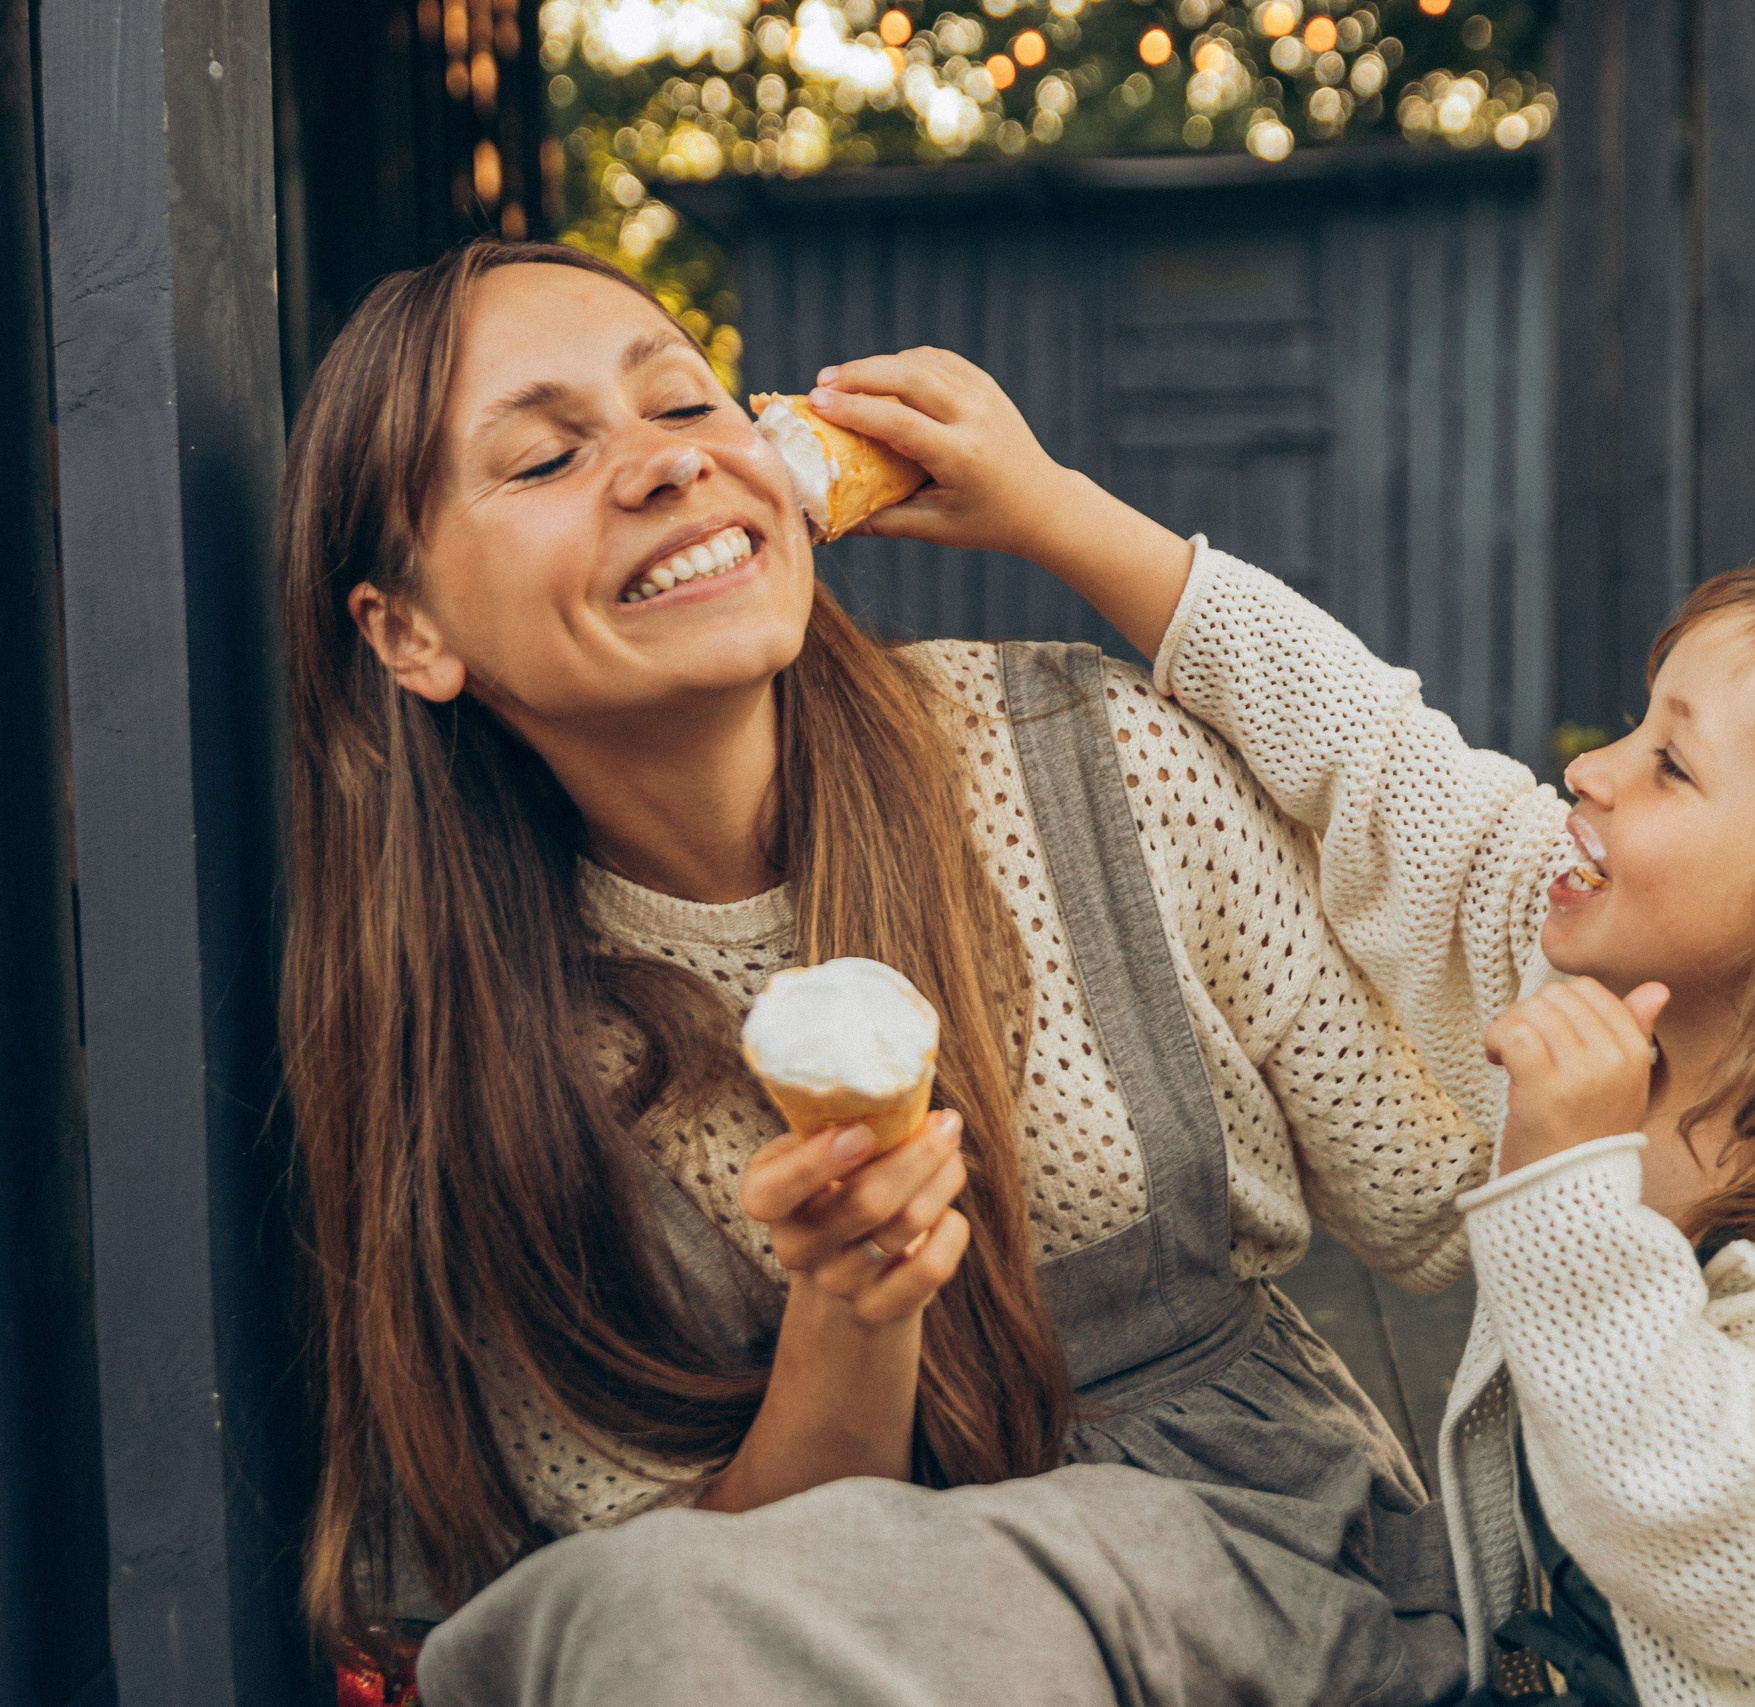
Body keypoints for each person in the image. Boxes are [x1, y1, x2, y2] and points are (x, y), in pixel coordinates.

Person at [828, 354, 1755, 1707]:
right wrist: (1052, 509)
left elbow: (1716, 1552)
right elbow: (1369, 750)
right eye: (1631, 727)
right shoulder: (1585, 961)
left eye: (1671, 764)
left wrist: (1567, 1193)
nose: (1591, 772)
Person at [278, 238, 1494, 1707]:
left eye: (683, 404)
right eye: (544, 459)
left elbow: (1461, 1206)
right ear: (407, 631)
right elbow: (713, 1624)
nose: (665, 468)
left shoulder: (1089, 765)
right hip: (839, 1642)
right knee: (609, 1613)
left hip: (1266, 1590)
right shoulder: (482, 1069)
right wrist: (854, 1315)